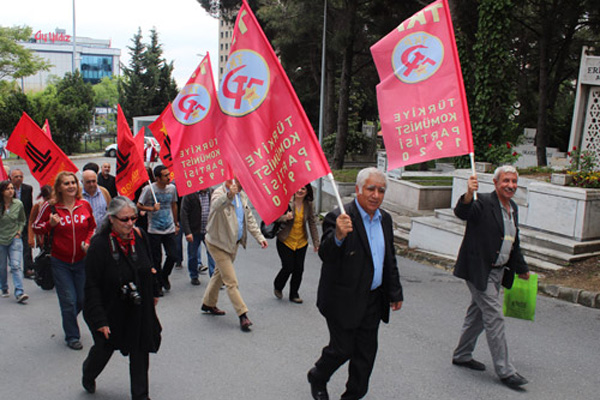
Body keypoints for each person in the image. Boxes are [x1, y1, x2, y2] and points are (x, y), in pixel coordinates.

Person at [308, 167, 403, 400]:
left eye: (381, 190)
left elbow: (388, 257)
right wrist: (339, 236)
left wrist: (395, 291)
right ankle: (318, 376)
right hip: (342, 299)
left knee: (365, 354)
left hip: (373, 298)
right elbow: (326, 255)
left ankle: (353, 395)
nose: (376, 195)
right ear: (358, 189)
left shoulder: (385, 220)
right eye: (371, 189)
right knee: (342, 349)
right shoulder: (339, 217)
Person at [451, 166, 530, 390]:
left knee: (478, 314)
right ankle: (506, 370)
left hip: (499, 271)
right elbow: (463, 212)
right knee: (494, 317)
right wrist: (468, 194)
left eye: (514, 181)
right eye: (506, 181)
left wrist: (521, 267)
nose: (511, 185)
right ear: (496, 183)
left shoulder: (512, 207)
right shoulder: (482, 202)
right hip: (479, 271)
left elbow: (514, 241)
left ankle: (462, 354)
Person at [82, 196, 162, 400]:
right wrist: (99, 320)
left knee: (140, 350)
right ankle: (88, 374)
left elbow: (149, 266)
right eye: (124, 220)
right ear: (111, 219)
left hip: (138, 308)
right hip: (111, 309)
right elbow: (91, 286)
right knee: (104, 349)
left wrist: (153, 291)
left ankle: (141, 395)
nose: (130, 224)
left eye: (133, 218)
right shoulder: (99, 246)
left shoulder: (139, 236)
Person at [32, 171, 97, 350]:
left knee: (82, 300)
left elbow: (92, 226)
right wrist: (49, 225)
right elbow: (35, 227)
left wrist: (88, 241)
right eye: (66, 183)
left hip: (82, 261)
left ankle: (68, 316)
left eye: (73, 183)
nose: (71, 186)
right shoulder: (50, 207)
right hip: (60, 262)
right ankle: (72, 336)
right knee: (69, 300)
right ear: (59, 187)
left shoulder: (84, 205)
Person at [201, 178, 268, 332]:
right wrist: (229, 195)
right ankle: (242, 315)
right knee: (231, 281)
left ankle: (208, 303)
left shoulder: (242, 195)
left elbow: (249, 219)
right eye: (239, 178)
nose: (241, 182)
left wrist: (260, 237)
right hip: (217, 243)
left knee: (219, 274)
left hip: (233, 244)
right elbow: (216, 207)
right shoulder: (219, 193)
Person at [273, 184, 319, 304]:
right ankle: (278, 285)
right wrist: (285, 217)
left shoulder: (308, 205)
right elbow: (274, 217)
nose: (299, 190)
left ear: (307, 191)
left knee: (299, 269)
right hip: (285, 240)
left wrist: (316, 242)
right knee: (288, 267)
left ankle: (294, 294)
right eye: (298, 188)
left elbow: (312, 223)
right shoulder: (286, 201)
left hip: (301, 241)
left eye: (303, 189)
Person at [137, 165, 179, 294]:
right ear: (158, 178)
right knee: (156, 258)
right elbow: (139, 205)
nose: (168, 177)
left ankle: (164, 275)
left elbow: (174, 205)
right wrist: (151, 209)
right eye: (165, 175)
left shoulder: (172, 188)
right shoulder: (148, 190)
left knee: (173, 255)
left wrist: (176, 223)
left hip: (169, 228)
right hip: (154, 229)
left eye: (168, 174)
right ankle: (158, 284)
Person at [0, 180, 29, 303]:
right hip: (1, 239)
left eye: (12, 188)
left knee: (16, 265)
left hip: (14, 238)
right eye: (8, 189)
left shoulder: (18, 204)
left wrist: (19, 232)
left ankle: (19, 292)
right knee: (2, 267)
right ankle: (4, 287)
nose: (11, 191)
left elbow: (22, 219)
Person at [181, 188, 215, 285]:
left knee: (212, 254)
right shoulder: (190, 194)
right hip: (194, 231)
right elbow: (184, 214)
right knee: (193, 255)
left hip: (209, 230)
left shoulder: (212, 193)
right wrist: (187, 232)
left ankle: (214, 277)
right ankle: (194, 275)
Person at [10, 168, 34, 278]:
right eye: (16, 177)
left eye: (20, 176)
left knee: (27, 244)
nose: (19, 179)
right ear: (11, 178)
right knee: (10, 245)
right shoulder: (7, 189)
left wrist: (30, 221)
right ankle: (13, 264)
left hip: (24, 220)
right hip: (10, 222)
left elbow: (29, 206)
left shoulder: (28, 189)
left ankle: (28, 268)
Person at [28, 185, 52, 251]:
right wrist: (31, 237)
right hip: (42, 236)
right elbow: (31, 221)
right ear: (43, 197)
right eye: (47, 198)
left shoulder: (54, 205)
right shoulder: (38, 206)